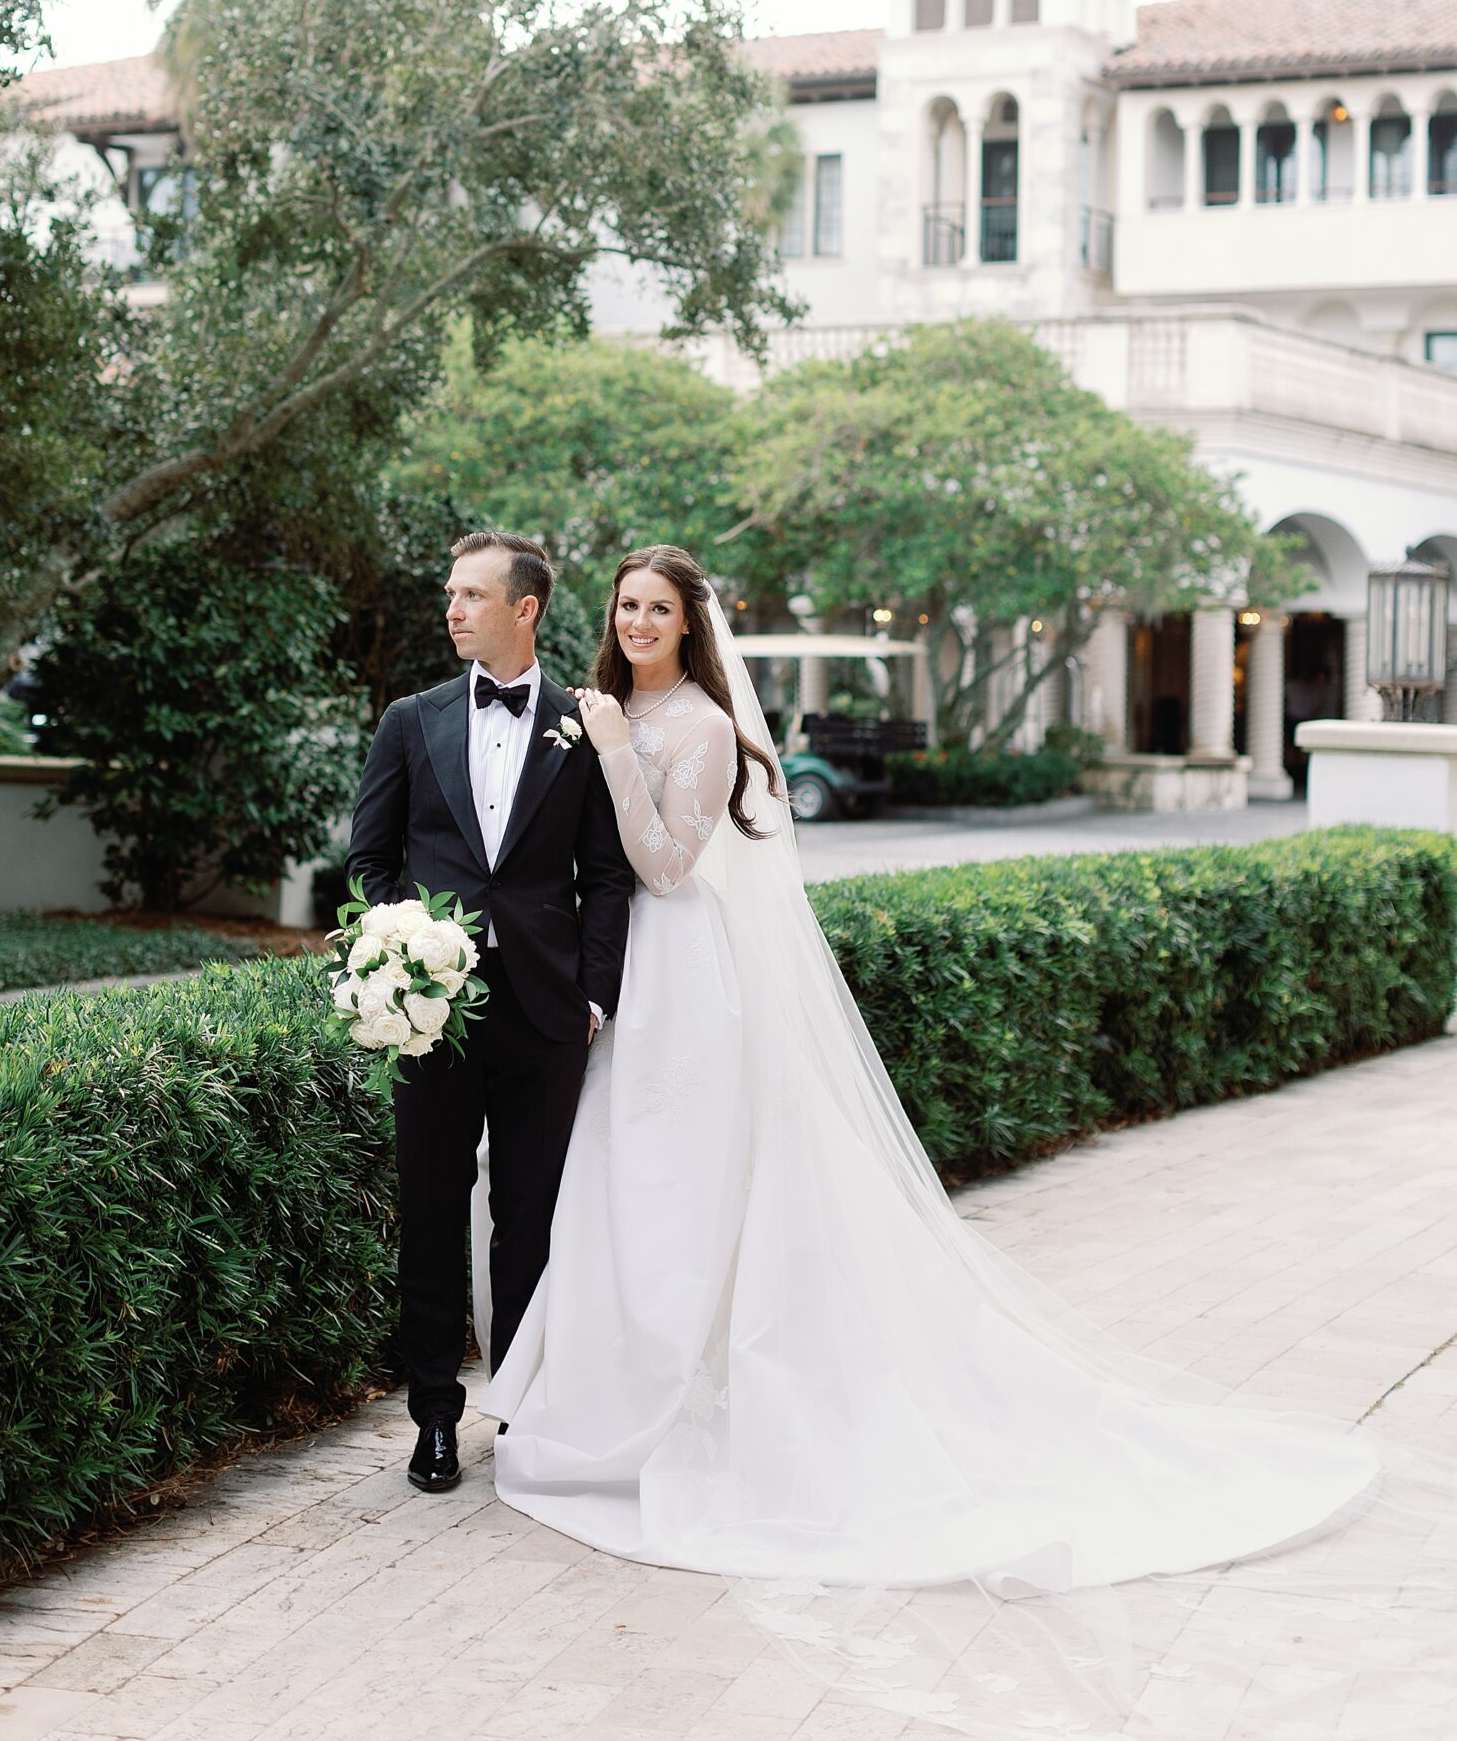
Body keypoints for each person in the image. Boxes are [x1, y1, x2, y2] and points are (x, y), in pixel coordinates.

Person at [482, 545, 1446, 1739]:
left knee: (685, 1197)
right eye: (626, 605)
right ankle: (600, 1399)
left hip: (693, 987)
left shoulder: (696, 731)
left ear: (692, 627)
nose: (636, 622)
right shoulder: (602, 709)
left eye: (658, 610)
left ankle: (685, 1407)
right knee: (620, 1194)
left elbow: (672, 865)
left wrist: (622, 756)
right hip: (625, 993)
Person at [346, 530, 633, 1495]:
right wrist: (397, 962)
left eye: (473, 595)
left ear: (526, 609)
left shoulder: (581, 726)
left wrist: (594, 995)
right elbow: (370, 861)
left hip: (547, 1014)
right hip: (434, 1018)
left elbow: (604, 875)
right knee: (429, 1214)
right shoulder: (409, 720)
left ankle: (523, 1407)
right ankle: (434, 1415)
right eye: (449, 593)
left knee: (531, 1221)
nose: (453, 610)